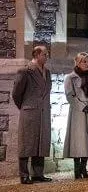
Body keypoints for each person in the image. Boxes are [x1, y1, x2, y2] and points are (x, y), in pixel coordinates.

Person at [11, 45, 53, 184]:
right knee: (26, 144)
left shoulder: (47, 72)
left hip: (43, 112)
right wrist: (24, 107)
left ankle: (38, 174)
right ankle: (24, 174)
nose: (47, 57)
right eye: (45, 54)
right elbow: (16, 94)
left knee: (41, 142)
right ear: (37, 55)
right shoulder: (25, 71)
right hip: (30, 112)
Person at [63, 52, 88, 179]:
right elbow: (70, 96)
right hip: (78, 112)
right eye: (83, 61)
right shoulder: (70, 78)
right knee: (78, 140)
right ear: (77, 63)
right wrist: (82, 107)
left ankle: (83, 169)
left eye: (87, 61)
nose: (86, 64)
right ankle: (77, 170)